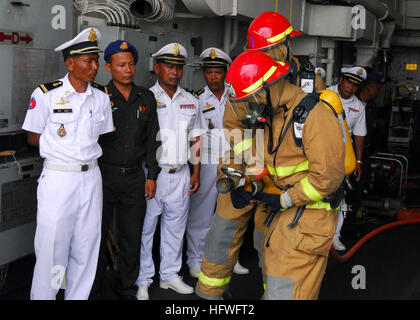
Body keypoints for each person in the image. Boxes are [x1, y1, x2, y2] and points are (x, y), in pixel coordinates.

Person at [195, 11, 325, 300]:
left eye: (270, 49)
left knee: (271, 241)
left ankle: (273, 294)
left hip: (284, 176)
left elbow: (317, 126)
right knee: (223, 233)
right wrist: (248, 167)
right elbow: (232, 127)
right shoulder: (244, 74)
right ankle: (209, 294)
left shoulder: (308, 80)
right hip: (244, 170)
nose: (270, 54)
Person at [22, 27, 114, 300]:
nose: (95, 66)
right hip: (60, 179)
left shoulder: (100, 96)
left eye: (96, 60)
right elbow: (33, 136)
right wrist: (63, 150)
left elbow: (102, 135)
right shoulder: (46, 95)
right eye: (89, 61)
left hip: (91, 178)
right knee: (52, 250)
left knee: (86, 248)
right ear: (70, 62)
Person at [90, 40, 160, 300]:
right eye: (121, 65)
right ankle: (93, 288)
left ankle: (127, 287)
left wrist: (152, 175)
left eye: (131, 64)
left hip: (134, 177)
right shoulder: (98, 97)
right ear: (108, 67)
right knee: (95, 236)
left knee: (132, 236)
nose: (128, 69)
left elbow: (154, 139)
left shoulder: (146, 98)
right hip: (103, 175)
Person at [136, 43, 206, 300]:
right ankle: (143, 279)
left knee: (175, 229)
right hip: (152, 175)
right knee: (145, 229)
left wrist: (196, 172)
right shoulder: (145, 98)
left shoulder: (191, 100)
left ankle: (169, 276)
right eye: (169, 66)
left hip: (181, 173)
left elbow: (196, 139)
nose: (175, 72)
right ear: (157, 68)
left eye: (178, 67)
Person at [185, 47, 249, 279]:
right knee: (201, 216)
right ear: (204, 73)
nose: (213, 76)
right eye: (209, 72)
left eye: (218, 72)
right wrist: (196, 167)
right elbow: (196, 135)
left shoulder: (237, 96)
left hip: (233, 162)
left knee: (232, 215)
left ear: (225, 73)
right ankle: (195, 259)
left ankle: (230, 259)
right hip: (209, 162)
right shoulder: (196, 99)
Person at [327, 66, 367, 251]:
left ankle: (335, 236)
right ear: (341, 79)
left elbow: (359, 135)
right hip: (319, 152)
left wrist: (358, 162)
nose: (350, 88)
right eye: (349, 82)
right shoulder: (324, 95)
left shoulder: (358, 106)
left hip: (342, 156)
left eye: (355, 85)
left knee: (340, 198)